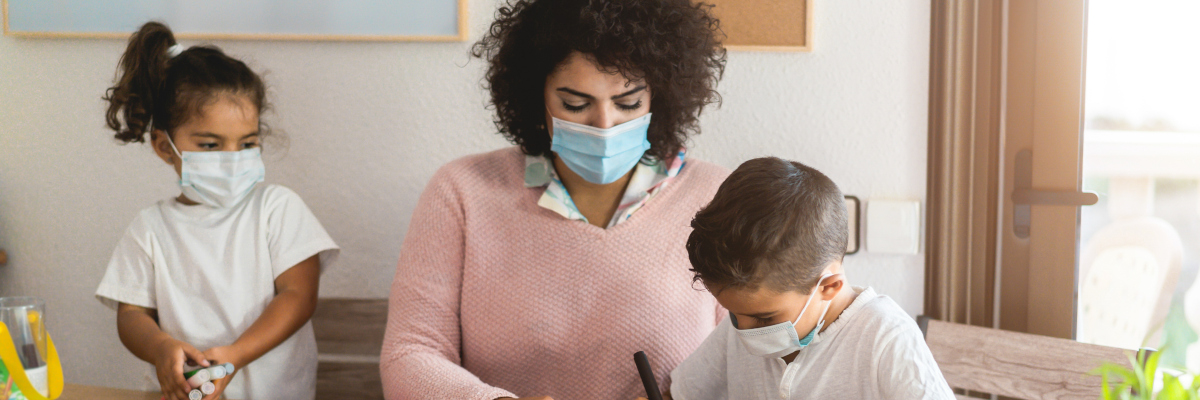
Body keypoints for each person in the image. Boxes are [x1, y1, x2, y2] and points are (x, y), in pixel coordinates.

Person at [380, 0, 728, 398]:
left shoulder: (717, 197)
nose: (604, 125)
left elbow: (755, 358)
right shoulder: (462, 192)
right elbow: (410, 353)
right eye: (575, 104)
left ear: (660, 97)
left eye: (628, 103)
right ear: (536, 96)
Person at [94, 22, 339, 400]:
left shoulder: (278, 210)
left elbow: (298, 296)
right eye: (210, 145)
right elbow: (131, 316)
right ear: (164, 147)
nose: (232, 158)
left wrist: (233, 358)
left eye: (247, 143)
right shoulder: (150, 229)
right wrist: (161, 348)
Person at [660, 157, 954, 399]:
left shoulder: (885, 338)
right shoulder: (740, 327)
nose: (745, 332)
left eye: (764, 320)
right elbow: (681, 394)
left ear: (829, 286)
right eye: (734, 315)